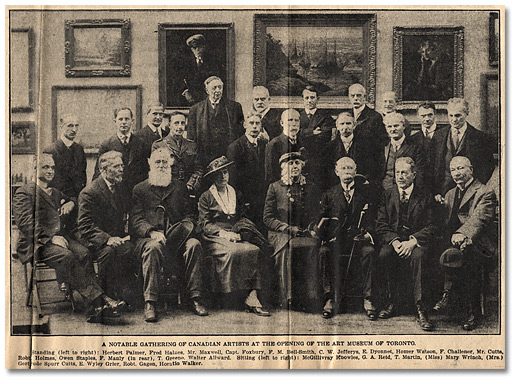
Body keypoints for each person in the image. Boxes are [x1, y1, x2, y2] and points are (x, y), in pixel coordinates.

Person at [13, 153, 122, 324]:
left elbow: (70, 199)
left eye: (52, 167)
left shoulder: (55, 192)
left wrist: (70, 201)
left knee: (85, 252)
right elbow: (25, 223)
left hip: (60, 239)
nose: (50, 171)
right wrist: (50, 238)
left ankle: (95, 306)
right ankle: (99, 300)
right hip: (37, 243)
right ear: (35, 167)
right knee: (67, 256)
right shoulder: (24, 192)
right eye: (45, 167)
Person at [131, 148, 208, 322]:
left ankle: (195, 298)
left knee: (194, 244)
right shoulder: (140, 189)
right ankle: (150, 302)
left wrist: (185, 228)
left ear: (171, 163)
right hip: (149, 239)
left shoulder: (179, 187)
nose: (161, 165)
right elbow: (136, 219)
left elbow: (190, 214)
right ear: (150, 162)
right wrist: (151, 231)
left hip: (177, 238)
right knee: (153, 248)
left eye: (164, 162)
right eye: (157, 162)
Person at [198, 156, 271, 316]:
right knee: (232, 252)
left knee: (254, 250)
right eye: (218, 174)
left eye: (225, 172)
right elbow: (204, 224)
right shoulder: (206, 197)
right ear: (212, 177)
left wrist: (239, 231)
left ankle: (252, 294)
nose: (223, 176)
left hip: (235, 232)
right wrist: (223, 233)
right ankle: (229, 294)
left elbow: (242, 216)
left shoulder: (235, 193)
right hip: (215, 236)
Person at [433, 156, 497, 331]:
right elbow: (445, 223)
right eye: (453, 170)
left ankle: (472, 313)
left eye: (461, 168)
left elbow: (480, 219)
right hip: (453, 243)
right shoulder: (450, 194)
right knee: (429, 250)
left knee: (468, 256)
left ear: (471, 170)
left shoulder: (485, 191)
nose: (457, 173)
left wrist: (463, 233)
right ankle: (446, 298)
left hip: (479, 244)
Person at [375, 157, 436, 331]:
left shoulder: (425, 195)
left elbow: (432, 226)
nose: (400, 176)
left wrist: (412, 242)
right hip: (394, 240)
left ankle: (421, 308)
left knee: (419, 257)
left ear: (414, 175)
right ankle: (392, 302)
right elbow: (381, 224)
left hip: (416, 242)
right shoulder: (387, 194)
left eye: (404, 173)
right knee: (384, 254)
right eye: (397, 172)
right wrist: (394, 242)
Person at [318, 157, 378, 320]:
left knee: (370, 252)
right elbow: (321, 221)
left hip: (359, 240)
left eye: (350, 168)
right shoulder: (329, 194)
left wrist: (367, 235)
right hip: (336, 241)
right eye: (343, 168)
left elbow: (374, 219)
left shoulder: (366, 194)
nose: (347, 171)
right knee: (323, 252)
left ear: (356, 171)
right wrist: (328, 235)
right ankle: (329, 298)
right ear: (336, 172)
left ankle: (368, 299)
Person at [263, 152, 321, 312]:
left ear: (302, 165)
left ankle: (311, 296)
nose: (294, 166)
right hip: (280, 232)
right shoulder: (275, 187)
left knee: (314, 247)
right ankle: (287, 297)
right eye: (290, 163)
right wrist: (287, 228)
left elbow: (317, 213)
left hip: (303, 231)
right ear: (283, 167)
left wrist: (312, 226)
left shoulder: (311, 187)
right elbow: (267, 218)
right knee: (286, 250)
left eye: (297, 163)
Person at [78, 151, 137, 305]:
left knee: (130, 248)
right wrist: (107, 239)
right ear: (104, 170)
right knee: (109, 252)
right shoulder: (89, 192)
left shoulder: (120, 188)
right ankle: (105, 297)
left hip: (115, 237)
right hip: (93, 240)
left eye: (122, 166)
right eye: (116, 166)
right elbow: (85, 226)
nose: (121, 169)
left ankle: (124, 291)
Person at [431, 98, 496, 197]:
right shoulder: (438, 136)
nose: (454, 119)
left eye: (458, 115)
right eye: (451, 115)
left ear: (466, 113)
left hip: (470, 192)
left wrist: (475, 188)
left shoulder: (481, 138)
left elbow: (488, 167)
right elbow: (432, 166)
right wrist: (436, 192)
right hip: (443, 192)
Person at [93, 108, 149, 211]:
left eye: (127, 119)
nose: (123, 122)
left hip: (136, 193)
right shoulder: (107, 144)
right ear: (115, 121)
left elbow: (146, 170)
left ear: (132, 121)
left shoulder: (141, 143)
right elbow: (99, 171)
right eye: (120, 119)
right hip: (116, 193)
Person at [187, 76, 244, 166]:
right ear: (207, 90)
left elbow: (241, 134)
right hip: (204, 157)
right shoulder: (196, 110)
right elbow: (191, 138)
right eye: (214, 88)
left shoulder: (234, 107)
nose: (218, 91)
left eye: (220, 87)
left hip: (227, 157)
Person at [227, 111, 267, 226]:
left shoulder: (263, 144)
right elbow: (233, 179)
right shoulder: (235, 147)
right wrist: (242, 201)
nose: (254, 126)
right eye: (251, 123)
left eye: (257, 123)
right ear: (245, 125)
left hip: (261, 198)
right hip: (244, 199)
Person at [152, 111, 203, 194]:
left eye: (182, 123)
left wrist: (190, 185)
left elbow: (198, 169)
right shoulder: (159, 145)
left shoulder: (191, 145)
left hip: (188, 189)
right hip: (168, 190)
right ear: (169, 125)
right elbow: (157, 170)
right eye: (176, 123)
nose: (180, 127)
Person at [348, 83, 387, 185]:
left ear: (364, 97)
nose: (356, 98)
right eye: (353, 96)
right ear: (349, 97)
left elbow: (380, 146)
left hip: (368, 168)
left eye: (359, 95)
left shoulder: (374, 117)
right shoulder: (346, 116)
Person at [298, 86, 335, 190]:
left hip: (319, 159)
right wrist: (311, 132)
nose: (309, 101)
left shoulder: (325, 117)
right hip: (300, 159)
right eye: (307, 98)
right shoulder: (297, 116)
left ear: (317, 99)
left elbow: (324, 137)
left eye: (312, 97)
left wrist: (303, 135)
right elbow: (293, 134)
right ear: (302, 99)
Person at [43, 114, 87, 201]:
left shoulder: (79, 149)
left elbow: (82, 177)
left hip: (76, 200)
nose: (74, 129)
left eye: (76, 126)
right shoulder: (51, 150)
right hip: (58, 201)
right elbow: (48, 181)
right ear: (61, 126)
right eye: (70, 125)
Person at [381, 112, 426, 190]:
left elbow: (420, 174)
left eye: (396, 126)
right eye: (389, 126)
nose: (393, 129)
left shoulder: (416, 147)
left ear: (403, 126)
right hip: (385, 191)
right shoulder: (383, 146)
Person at [412, 102, 449, 189]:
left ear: (435, 115)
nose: (427, 119)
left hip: (442, 184)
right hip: (421, 186)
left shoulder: (446, 133)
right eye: (423, 116)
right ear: (418, 116)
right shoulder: (413, 139)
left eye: (430, 115)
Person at [180, 34, 224, 106]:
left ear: (204, 47)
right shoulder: (185, 63)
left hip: (208, 98)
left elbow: (216, 79)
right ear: (191, 49)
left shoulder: (212, 62)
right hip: (190, 99)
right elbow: (179, 79)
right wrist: (185, 92)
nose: (197, 50)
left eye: (199, 47)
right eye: (194, 48)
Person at [265, 109, 304, 184]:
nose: (294, 124)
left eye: (296, 120)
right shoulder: (274, 144)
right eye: (290, 120)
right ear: (282, 123)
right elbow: (271, 176)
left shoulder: (303, 142)